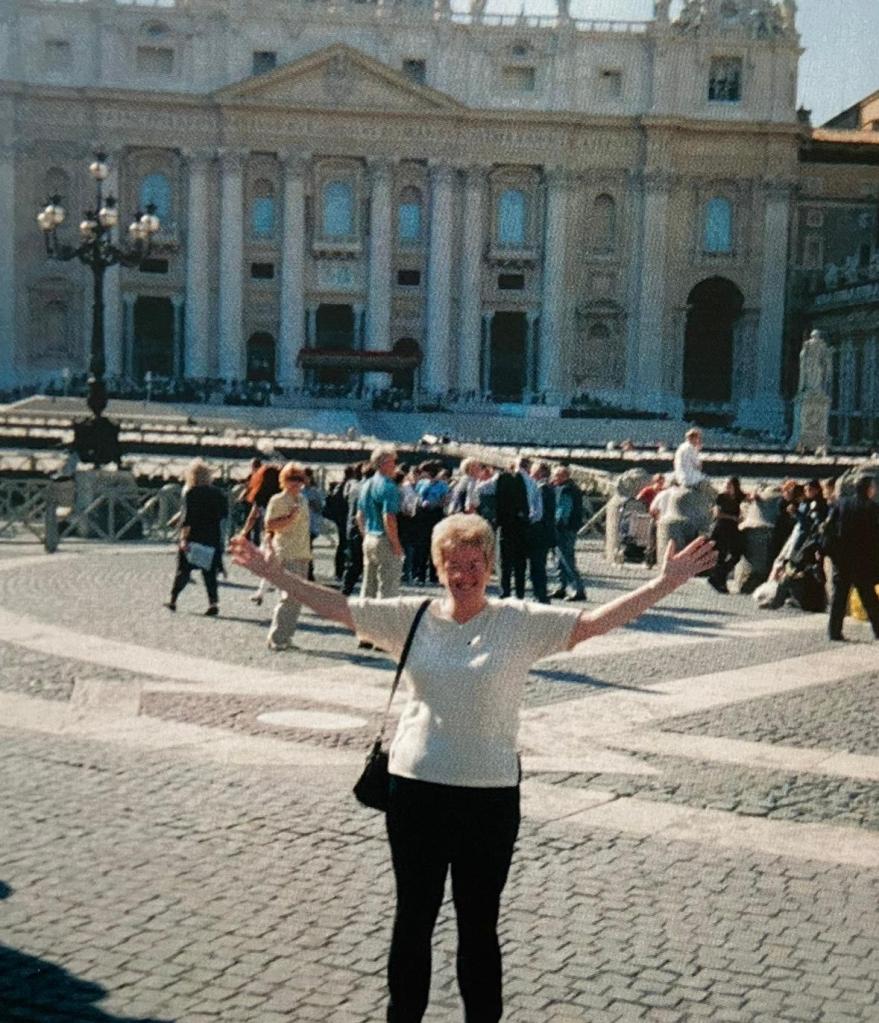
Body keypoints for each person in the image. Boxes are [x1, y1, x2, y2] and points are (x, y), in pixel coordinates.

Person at [229, 515, 717, 1023]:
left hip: (489, 796)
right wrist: (275, 574)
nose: (463, 575)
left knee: (479, 924)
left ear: (489, 565)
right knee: (413, 918)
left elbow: (593, 623)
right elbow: (338, 607)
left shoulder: (518, 621)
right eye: (452, 565)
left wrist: (665, 583)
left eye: (473, 564)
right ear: (438, 567)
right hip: (415, 789)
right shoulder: (411, 616)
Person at [164, 458, 228, 616]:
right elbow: (224, 516)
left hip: (194, 537)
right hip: (212, 537)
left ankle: (173, 600)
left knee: (183, 570)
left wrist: (183, 538)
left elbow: (188, 519)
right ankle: (213, 603)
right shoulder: (218, 493)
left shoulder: (191, 493)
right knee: (209, 573)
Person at [825, 474, 879, 642]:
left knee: (839, 597)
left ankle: (834, 631)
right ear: (868, 489)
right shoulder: (873, 508)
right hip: (863, 561)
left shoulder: (841, 504)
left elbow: (828, 529)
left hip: (842, 559)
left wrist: (831, 552)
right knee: (869, 598)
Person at [264, 461, 311, 650]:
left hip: (302, 552)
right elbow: (269, 525)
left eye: (299, 479)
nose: (296, 483)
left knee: (297, 598)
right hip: (285, 552)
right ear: (284, 480)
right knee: (288, 596)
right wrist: (289, 518)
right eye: (292, 479)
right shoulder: (277, 500)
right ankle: (276, 638)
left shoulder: (303, 500)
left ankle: (286, 636)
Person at [357, 445, 404, 600]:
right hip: (384, 539)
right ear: (384, 464)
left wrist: (365, 535)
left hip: (369, 537)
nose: (395, 465)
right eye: (393, 462)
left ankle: (364, 614)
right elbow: (388, 517)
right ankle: (385, 616)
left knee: (368, 586)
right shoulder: (389, 487)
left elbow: (359, 515)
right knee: (387, 589)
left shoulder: (366, 484)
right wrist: (396, 544)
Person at [551, 465, 586, 601]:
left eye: (556, 476)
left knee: (566, 559)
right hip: (570, 527)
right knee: (559, 559)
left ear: (563, 476)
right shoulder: (572, 488)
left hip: (564, 529)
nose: (553, 478)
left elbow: (563, 510)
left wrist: (557, 524)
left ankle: (578, 589)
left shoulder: (566, 490)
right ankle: (562, 586)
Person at [707, 476, 746, 594]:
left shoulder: (739, 497)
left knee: (736, 555)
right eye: (726, 484)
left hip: (733, 530)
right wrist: (733, 517)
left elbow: (749, 498)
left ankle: (717, 576)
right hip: (721, 528)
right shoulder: (721, 497)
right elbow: (717, 514)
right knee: (721, 555)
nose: (727, 486)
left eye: (729, 484)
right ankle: (721, 583)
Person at [528, 461, 556, 603]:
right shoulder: (548, 488)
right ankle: (540, 594)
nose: (530, 474)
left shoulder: (541, 489)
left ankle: (540, 595)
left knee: (537, 565)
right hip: (545, 532)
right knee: (539, 565)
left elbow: (538, 513)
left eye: (532, 471)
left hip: (539, 532)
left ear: (539, 473)